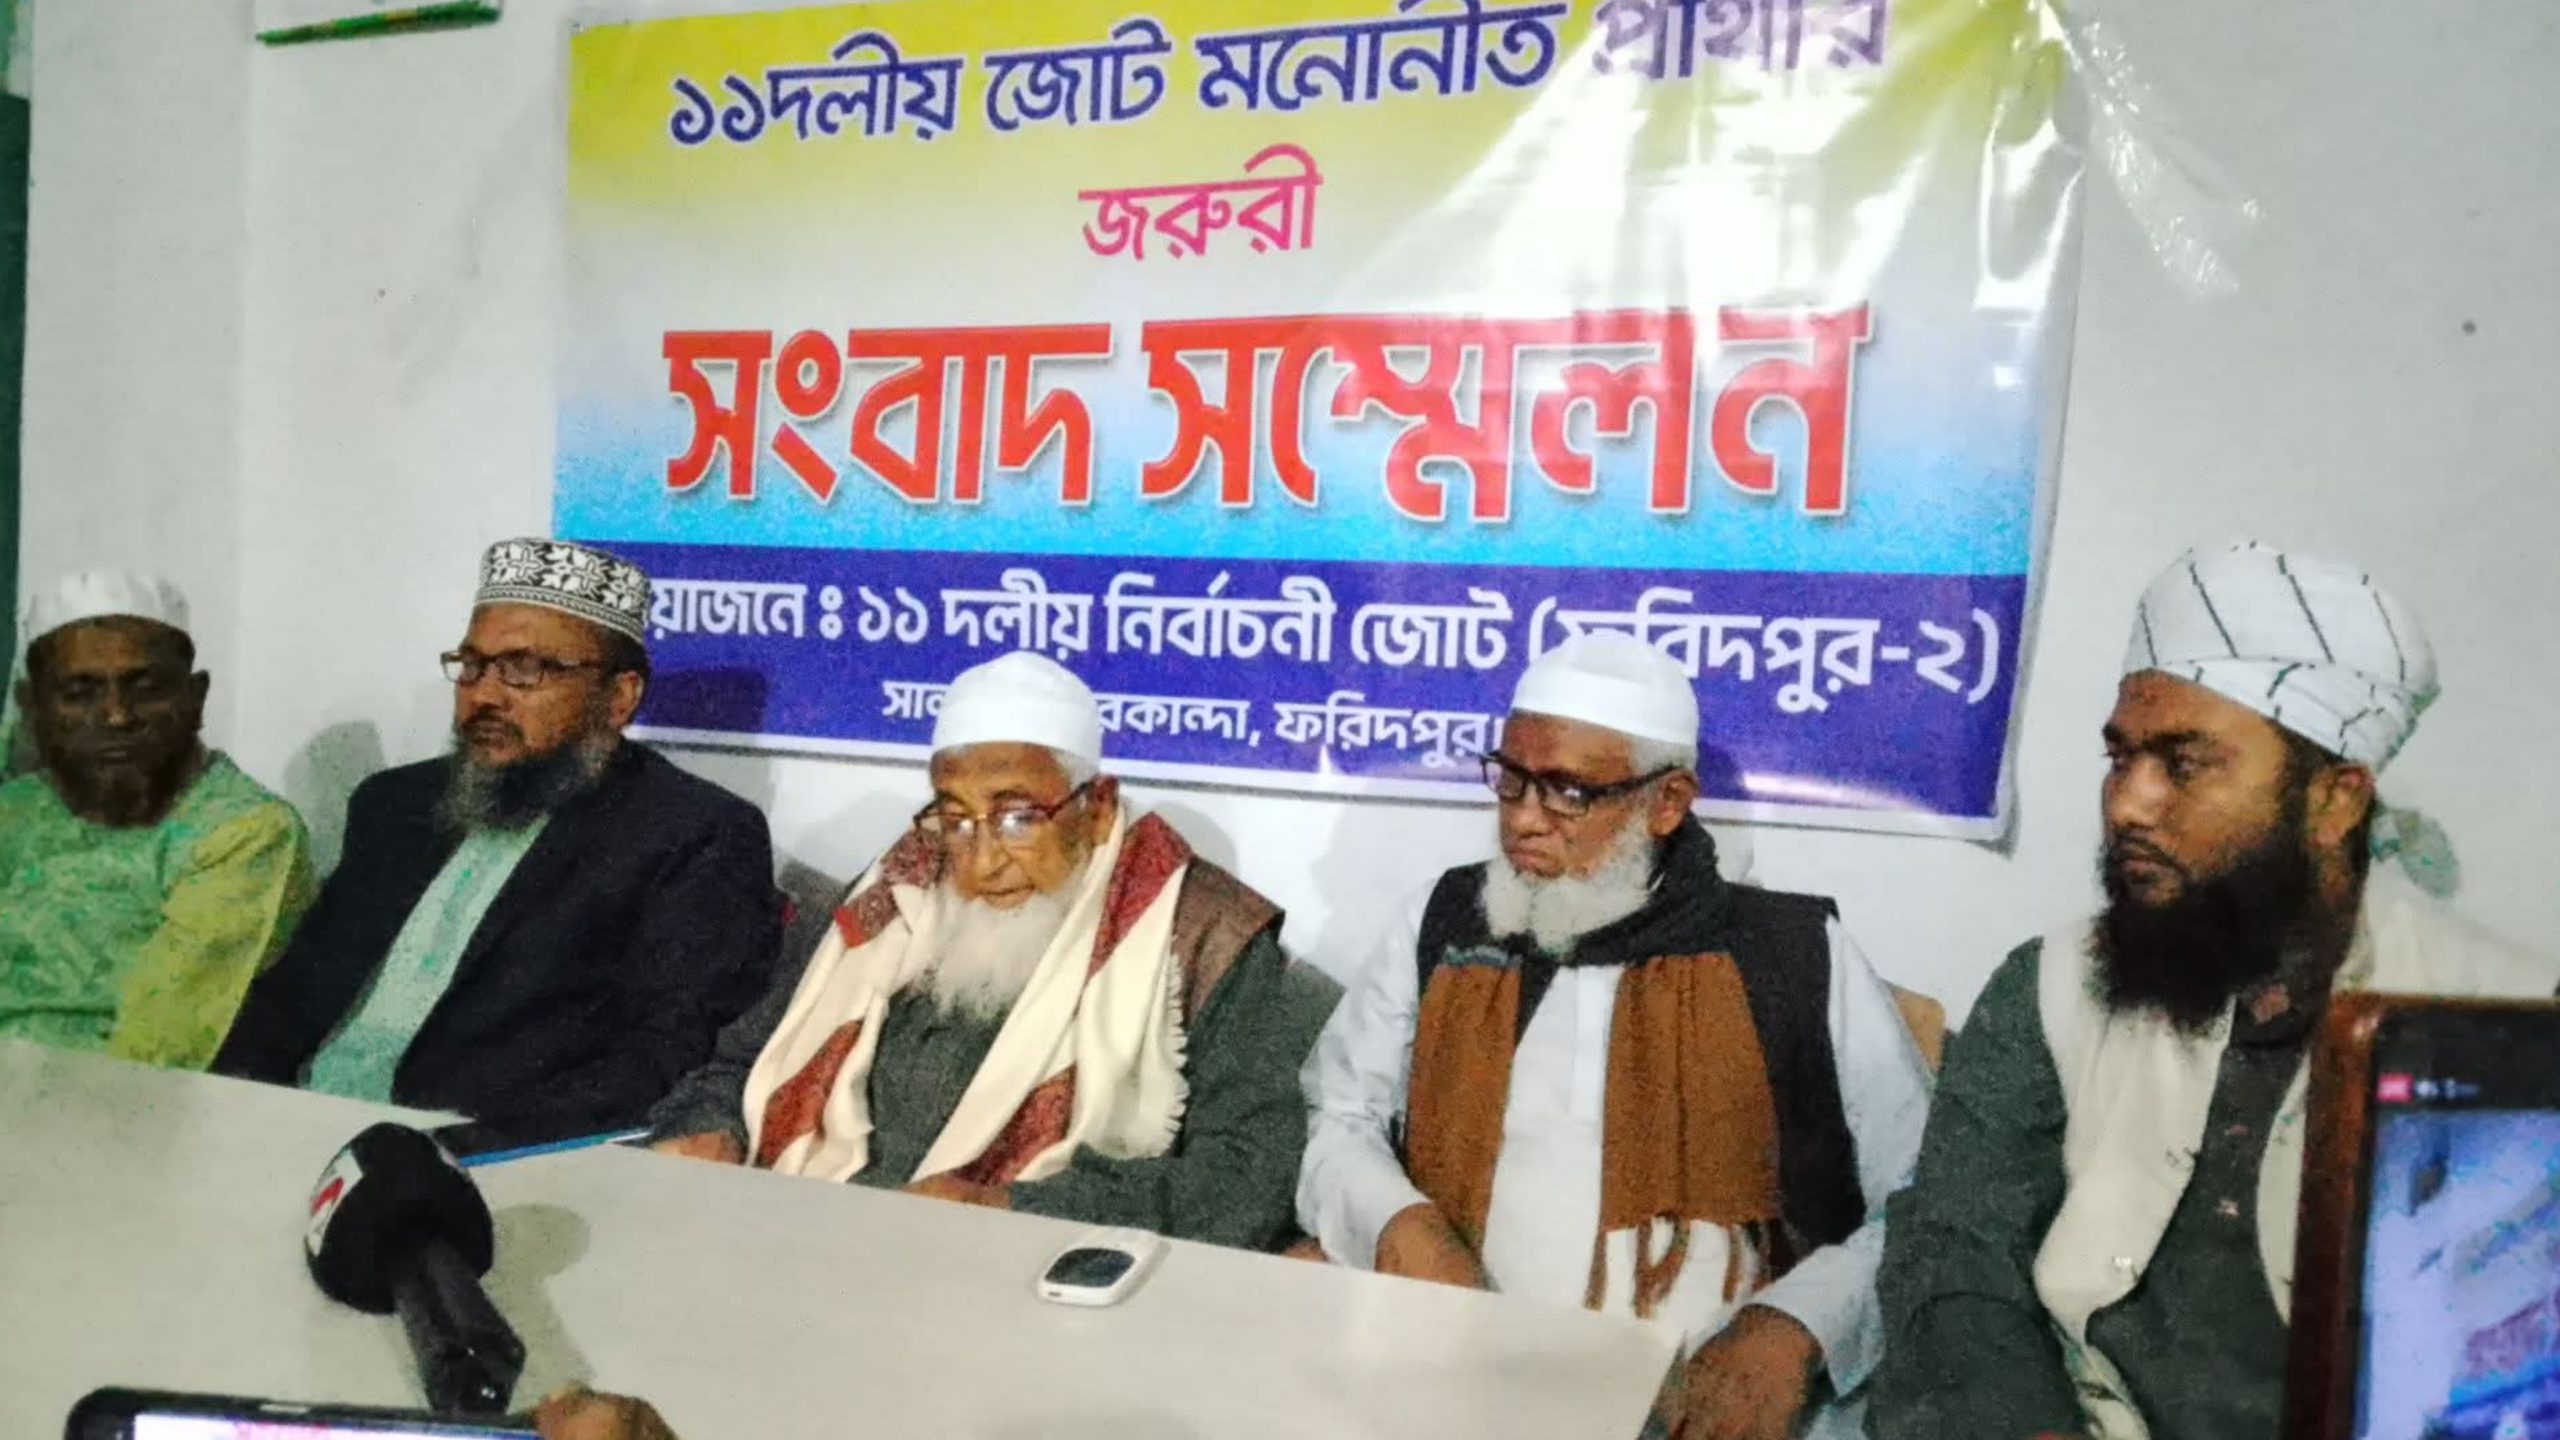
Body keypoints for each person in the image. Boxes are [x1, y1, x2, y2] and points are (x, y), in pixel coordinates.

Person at [1868, 543, 2560, 1440]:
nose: (2127, 804)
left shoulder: (2506, 1023)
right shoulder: (2050, 984)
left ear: (2335, 801)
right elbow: (1956, 1256)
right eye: (2120, 757)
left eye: (2184, 763)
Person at [1299, 631, 1934, 1440]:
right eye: (1511, 779)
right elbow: (1339, 1116)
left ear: (1668, 802)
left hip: (1708, 1406)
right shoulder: (1448, 922)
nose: (1523, 820)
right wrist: (1399, 1225)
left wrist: (1795, 1326)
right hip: (1461, 1378)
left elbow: (1925, 1192)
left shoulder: (1792, 953)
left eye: (1568, 793)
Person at [649, 651, 1333, 1251]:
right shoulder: (896, 889)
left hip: (1026, 1273)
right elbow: (745, 1057)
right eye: (955, 816)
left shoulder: (1203, 931)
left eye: (1018, 817)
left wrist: (1011, 1211)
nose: (980, 861)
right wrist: (711, 1128)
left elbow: (1248, 1177)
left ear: (1097, 808)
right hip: (806, 1235)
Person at [215, 539, 782, 1147]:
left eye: (525, 670)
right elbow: (295, 989)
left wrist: (457, 1150)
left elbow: (660, 1056)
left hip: (470, 1150)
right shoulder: (395, 804)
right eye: (472, 665)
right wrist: (224, 1101)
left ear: (619, 697)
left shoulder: (692, 833)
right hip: (292, 1119)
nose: (484, 695)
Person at [0, 570, 313, 1067]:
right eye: (80, 692)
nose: (118, 716)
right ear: (33, 708)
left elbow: (156, 1054)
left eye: (145, 688)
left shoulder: (245, 833)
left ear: (196, 696)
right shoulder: (14, 810)